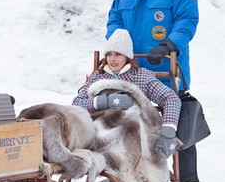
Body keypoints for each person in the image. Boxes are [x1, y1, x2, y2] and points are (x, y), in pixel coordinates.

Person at [105, 0, 203, 182]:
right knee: (125, 118)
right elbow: (114, 19)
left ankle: (188, 179)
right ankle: (127, 172)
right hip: (130, 69)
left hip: (165, 66)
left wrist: (168, 45)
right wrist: (117, 44)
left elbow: (187, 21)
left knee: (177, 114)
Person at [72, 29, 181, 161]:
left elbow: (171, 98)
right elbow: (76, 104)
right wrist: (102, 101)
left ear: (127, 56)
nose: (112, 59)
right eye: (109, 54)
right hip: (101, 130)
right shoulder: (98, 76)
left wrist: (169, 130)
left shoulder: (140, 76)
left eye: (118, 54)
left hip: (132, 133)